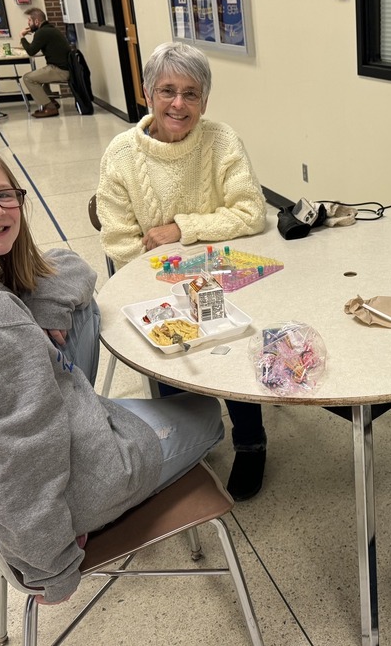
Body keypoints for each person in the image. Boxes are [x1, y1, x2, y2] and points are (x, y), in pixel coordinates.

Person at [0, 138, 225, 605]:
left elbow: (67, 265)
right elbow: (17, 472)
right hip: (83, 481)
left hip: (60, 426)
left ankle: (93, 413)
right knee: (208, 413)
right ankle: (103, 499)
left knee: (80, 308)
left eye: (4, 194)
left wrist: (46, 311)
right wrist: (51, 568)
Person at [97, 41, 268, 501]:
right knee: (172, 350)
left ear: (205, 101)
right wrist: (173, 280)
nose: (179, 104)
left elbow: (252, 213)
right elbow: (120, 242)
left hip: (218, 275)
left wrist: (182, 229)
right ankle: (185, 442)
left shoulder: (221, 139)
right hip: (151, 280)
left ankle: (251, 440)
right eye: (168, 91)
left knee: (235, 336)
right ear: (148, 94)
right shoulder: (121, 154)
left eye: (191, 93)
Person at [19, 8, 72, 119]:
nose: (28, 24)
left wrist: (22, 37)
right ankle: (52, 101)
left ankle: (50, 107)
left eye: (29, 21)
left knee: (28, 78)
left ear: (37, 21)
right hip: (66, 67)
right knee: (40, 76)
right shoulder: (50, 29)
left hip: (60, 70)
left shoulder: (42, 33)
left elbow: (31, 51)